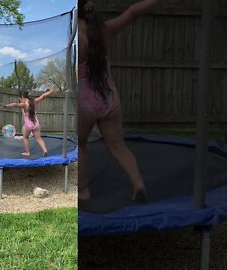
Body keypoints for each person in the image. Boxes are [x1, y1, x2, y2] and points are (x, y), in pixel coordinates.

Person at [77, 0, 158, 201]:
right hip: (108, 97)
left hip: (84, 101)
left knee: (80, 144)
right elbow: (131, 13)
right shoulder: (105, 29)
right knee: (118, 146)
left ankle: (83, 191)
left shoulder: (74, 36)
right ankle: (138, 182)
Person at [3, 88, 56, 156]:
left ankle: (27, 152)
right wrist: (51, 91)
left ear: (22, 97)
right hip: (36, 123)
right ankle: (45, 150)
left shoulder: (24, 104)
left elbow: (15, 104)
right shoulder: (34, 101)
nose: (20, 100)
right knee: (39, 138)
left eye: (20, 98)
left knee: (25, 138)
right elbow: (43, 96)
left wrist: (6, 106)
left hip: (29, 125)